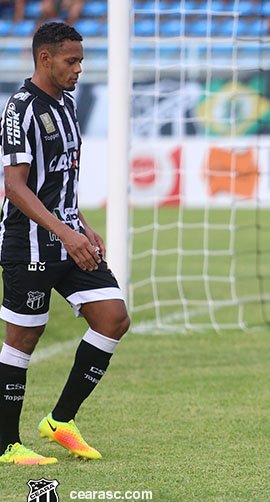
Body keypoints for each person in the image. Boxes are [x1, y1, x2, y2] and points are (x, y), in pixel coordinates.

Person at [0, 22, 129, 465]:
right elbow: (15, 187)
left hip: (69, 236)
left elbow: (59, 182)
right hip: (30, 243)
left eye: (81, 60)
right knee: (23, 338)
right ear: (45, 58)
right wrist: (66, 231)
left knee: (113, 318)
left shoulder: (68, 106)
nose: (79, 69)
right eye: (71, 61)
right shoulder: (20, 109)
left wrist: (83, 225)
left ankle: (60, 420)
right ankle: (6, 444)